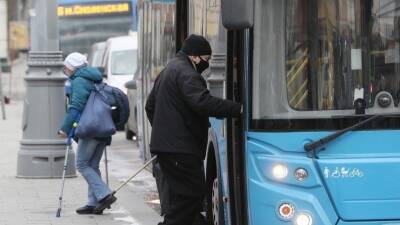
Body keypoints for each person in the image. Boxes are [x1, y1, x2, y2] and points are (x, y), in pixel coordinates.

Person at [145, 34, 242, 225]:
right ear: (195, 56)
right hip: (180, 149)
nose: (206, 65)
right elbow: (202, 102)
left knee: (186, 197)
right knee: (193, 195)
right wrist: (237, 108)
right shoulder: (187, 74)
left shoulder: (169, 70)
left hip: (170, 147)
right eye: (205, 59)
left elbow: (150, 106)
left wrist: (164, 131)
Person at [58, 52, 116, 215]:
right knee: (92, 165)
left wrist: (64, 128)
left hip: (90, 128)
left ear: (72, 67)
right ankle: (94, 202)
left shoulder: (79, 81)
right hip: (103, 127)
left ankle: (104, 195)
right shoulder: (93, 77)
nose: (66, 70)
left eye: (67, 67)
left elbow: (76, 106)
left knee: (82, 164)